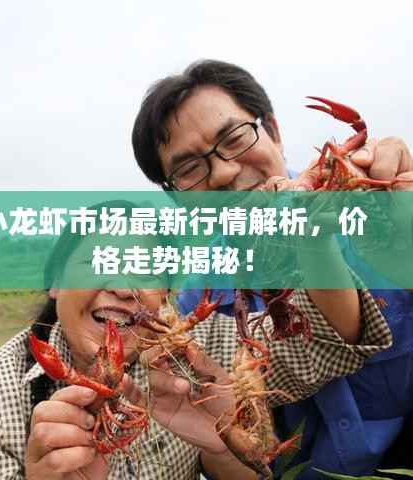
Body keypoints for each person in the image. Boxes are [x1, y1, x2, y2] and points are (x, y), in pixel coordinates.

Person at [0, 201, 391, 480]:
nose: (123, 288)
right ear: (56, 282)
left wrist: (224, 447)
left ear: (166, 294)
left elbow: (331, 344)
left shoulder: (198, 348)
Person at [131, 59, 413, 478]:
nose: (224, 172)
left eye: (234, 138)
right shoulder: (197, 304)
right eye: (189, 169)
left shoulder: (377, 214)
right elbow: (230, 442)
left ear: (275, 133)